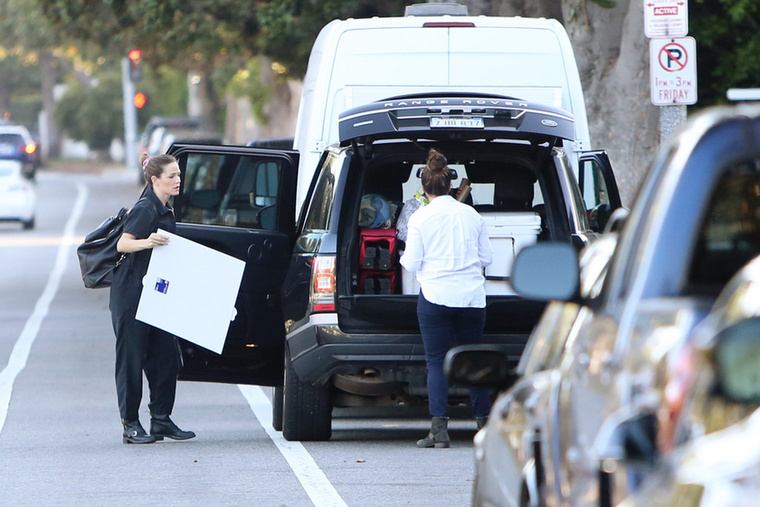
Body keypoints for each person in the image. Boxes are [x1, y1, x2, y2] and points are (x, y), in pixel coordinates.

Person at [400, 148, 494, 448]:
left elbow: (412, 263)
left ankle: (439, 431)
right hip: (471, 299)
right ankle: (484, 427)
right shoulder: (472, 215)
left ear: (424, 187)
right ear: (451, 186)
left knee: (436, 362)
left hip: (435, 297)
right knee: (473, 361)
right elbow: (487, 258)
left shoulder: (420, 217)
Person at [110, 153, 195, 444]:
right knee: (132, 358)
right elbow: (123, 243)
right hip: (131, 293)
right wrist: (148, 241)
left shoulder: (165, 208)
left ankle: (161, 420)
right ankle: (130, 424)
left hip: (154, 292)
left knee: (165, 357)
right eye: (172, 176)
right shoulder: (146, 208)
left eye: (179, 175)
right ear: (155, 180)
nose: (178, 180)